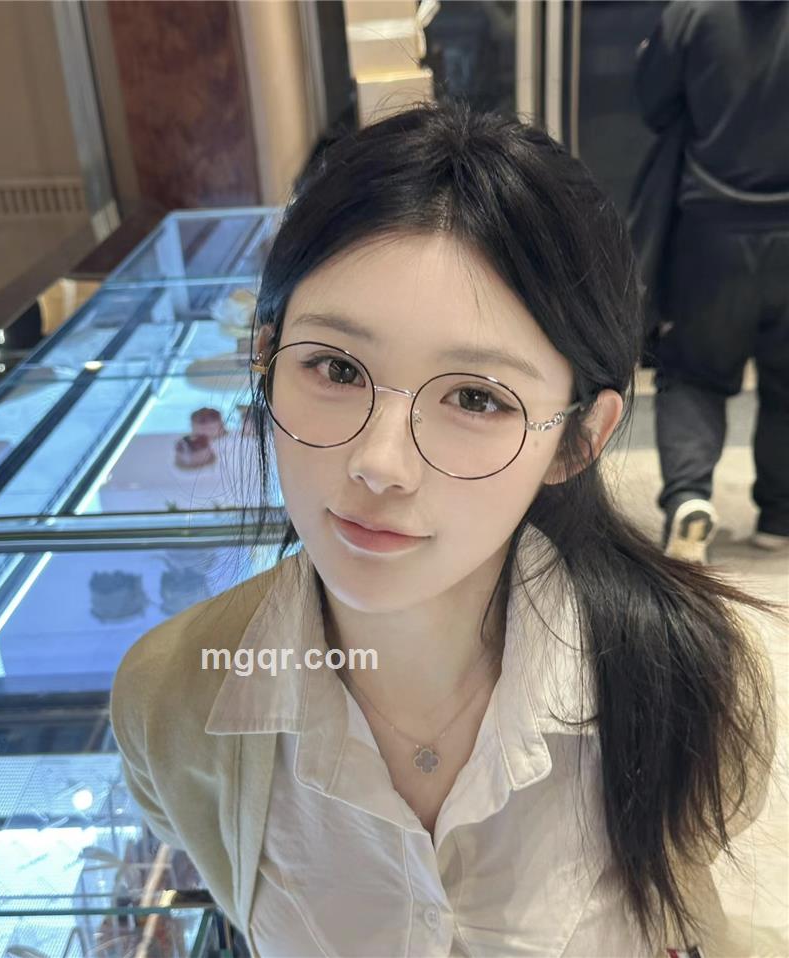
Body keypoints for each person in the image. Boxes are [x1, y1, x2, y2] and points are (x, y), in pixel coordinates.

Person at [110, 99, 779, 957]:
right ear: (267, 361)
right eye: (336, 368)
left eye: (475, 397)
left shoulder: (697, 678)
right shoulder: (171, 701)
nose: (379, 463)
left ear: (579, 438)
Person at [634, 0, 789, 564]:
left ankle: (689, 498)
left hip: (710, 232)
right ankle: (779, 518)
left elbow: (654, 104)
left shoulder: (694, 11)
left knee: (692, 372)